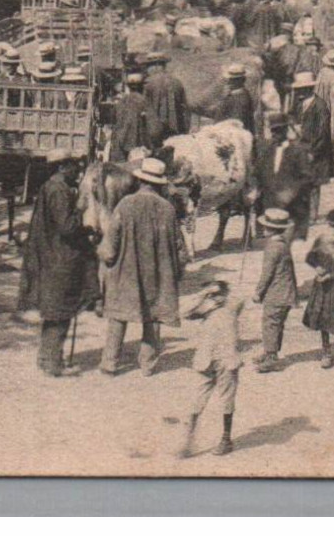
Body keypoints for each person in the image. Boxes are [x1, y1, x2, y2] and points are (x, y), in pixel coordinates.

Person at [98, 156, 183, 376]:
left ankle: (110, 363)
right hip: (158, 274)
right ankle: (148, 364)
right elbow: (179, 247)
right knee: (154, 316)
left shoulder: (125, 205)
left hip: (127, 273)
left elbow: (110, 246)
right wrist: (176, 273)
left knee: (118, 315)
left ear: (140, 181)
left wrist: (106, 259)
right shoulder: (168, 209)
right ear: (159, 184)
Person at [16, 149, 94, 377]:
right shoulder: (59, 190)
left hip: (51, 255)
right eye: (73, 165)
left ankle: (46, 357)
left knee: (53, 313)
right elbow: (67, 227)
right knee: (60, 313)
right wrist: (81, 211)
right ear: (62, 167)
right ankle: (53, 363)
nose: (77, 170)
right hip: (60, 259)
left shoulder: (51, 187)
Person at [177, 281, 244, 459]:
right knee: (196, 401)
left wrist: (222, 294)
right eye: (212, 295)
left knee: (227, 400)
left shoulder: (232, 305)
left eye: (218, 294)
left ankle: (226, 439)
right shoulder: (204, 308)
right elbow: (183, 312)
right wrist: (203, 294)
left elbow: (240, 298)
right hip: (205, 361)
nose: (216, 298)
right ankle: (187, 442)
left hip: (227, 360)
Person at [301, 207, 334, 370]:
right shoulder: (321, 240)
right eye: (330, 226)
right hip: (321, 287)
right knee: (322, 317)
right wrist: (317, 267)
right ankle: (326, 352)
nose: (332, 230)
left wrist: (330, 275)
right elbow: (310, 257)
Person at [251, 208, 299, 373]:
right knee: (277, 324)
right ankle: (269, 352)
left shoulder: (273, 247)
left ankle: (272, 358)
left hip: (277, 292)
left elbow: (267, 273)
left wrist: (258, 292)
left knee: (270, 323)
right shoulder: (283, 243)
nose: (263, 229)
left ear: (270, 229)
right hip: (286, 292)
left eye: (265, 227)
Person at [290, 71, 334, 217]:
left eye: (301, 89)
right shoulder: (299, 104)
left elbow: (323, 133)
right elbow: (293, 121)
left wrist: (313, 152)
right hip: (301, 148)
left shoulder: (320, 106)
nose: (298, 92)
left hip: (316, 150)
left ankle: (313, 213)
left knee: (314, 184)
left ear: (308, 89)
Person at [142, 53, 189, 150]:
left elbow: (144, 106)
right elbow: (185, 108)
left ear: (156, 66)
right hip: (176, 131)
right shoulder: (177, 82)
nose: (147, 70)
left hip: (155, 132)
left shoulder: (148, 83)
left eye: (148, 66)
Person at [111, 73, 151, 162]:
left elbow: (114, 120)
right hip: (137, 143)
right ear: (141, 86)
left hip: (120, 142)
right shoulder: (144, 101)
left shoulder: (121, 101)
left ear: (128, 86)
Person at [216, 64, 255, 135]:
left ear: (241, 80)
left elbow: (236, 122)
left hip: (235, 136)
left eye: (233, 80)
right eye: (230, 79)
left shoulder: (241, 98)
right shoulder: (232, 95)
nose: (229, 82)